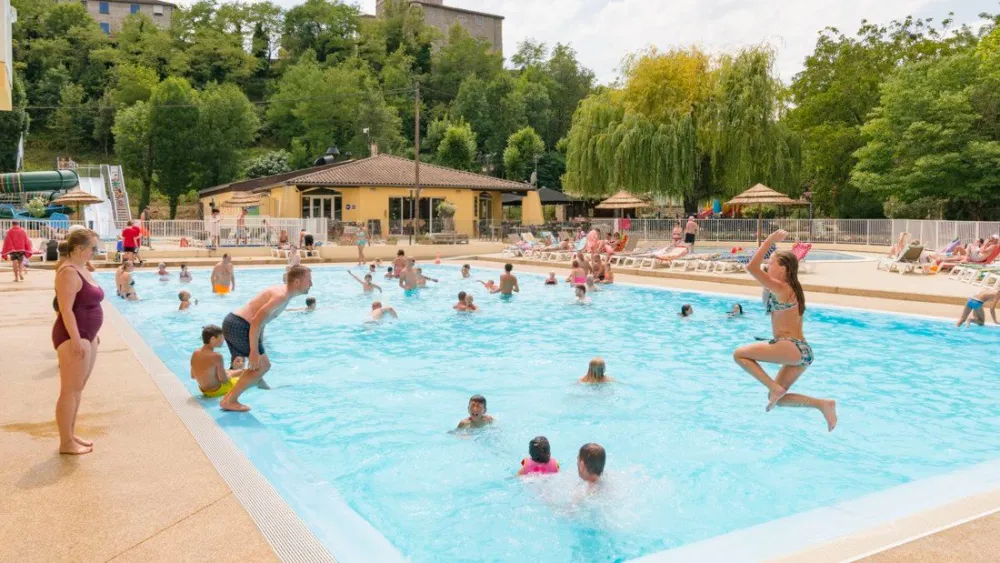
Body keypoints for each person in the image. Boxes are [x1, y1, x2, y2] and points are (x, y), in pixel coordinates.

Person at [733, 229, 837, 432]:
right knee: (778, 400)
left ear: (783, 269)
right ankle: (822, 404)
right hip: (802, 352)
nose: (767, 265)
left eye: (771, 263)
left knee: (739, 355)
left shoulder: (782, 288)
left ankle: (773, 387)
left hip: (793, 347)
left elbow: (751, 267)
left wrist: (770, 240)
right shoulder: (788, 288)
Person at [218, 265, 312, 411]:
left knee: (257, 366)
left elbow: (262, 322)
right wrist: (254, 352)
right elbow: (256, 321)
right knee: (263, 365)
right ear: (297, 282)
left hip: (233, 322)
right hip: (241, 326)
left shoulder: (283, 292)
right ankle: (230, 400)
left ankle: (234, 394)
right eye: (309, 280)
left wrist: (259, 344)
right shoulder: (281, 297)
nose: (311, 284)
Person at [52, 229, 104, 455]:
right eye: (94, 247)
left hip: (87, 335)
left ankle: (70, 434)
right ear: (80, 248)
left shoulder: (82, 268)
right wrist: (76, 339)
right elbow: (65, 309)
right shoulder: (68, 272)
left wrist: (92, 336)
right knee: (70, 390)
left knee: (78, 388)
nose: (96, 251)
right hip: (73, 336)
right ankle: (65, 443)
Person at [190, 325, 245, 398]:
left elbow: (193, 376)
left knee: (232, 372)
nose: (223, 340)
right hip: (217, 391)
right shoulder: (217, 356)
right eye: (221, 338)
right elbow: (224, 380)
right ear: (213, 339)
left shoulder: (195, 353)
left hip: (204, 390)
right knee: (245, 377)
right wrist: (230, 375)